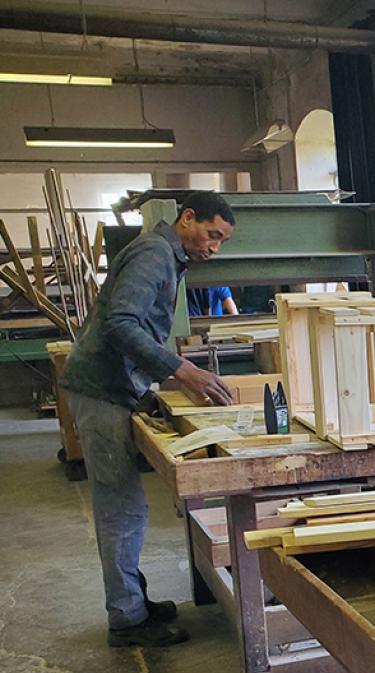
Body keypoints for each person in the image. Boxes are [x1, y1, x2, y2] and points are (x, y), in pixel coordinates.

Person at [61, 191, 236, 646]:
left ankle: (132, 602)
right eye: (212, 234)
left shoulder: (166, 254)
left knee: (127, 506)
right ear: (188, 218)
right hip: (101, 390)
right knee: (121, 508)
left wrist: (161, 373)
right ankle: (126, 620)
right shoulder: (155, 253)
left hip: (114, 387)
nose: (214, 247)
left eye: (221, 241)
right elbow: (121, 324)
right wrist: (181, 370)